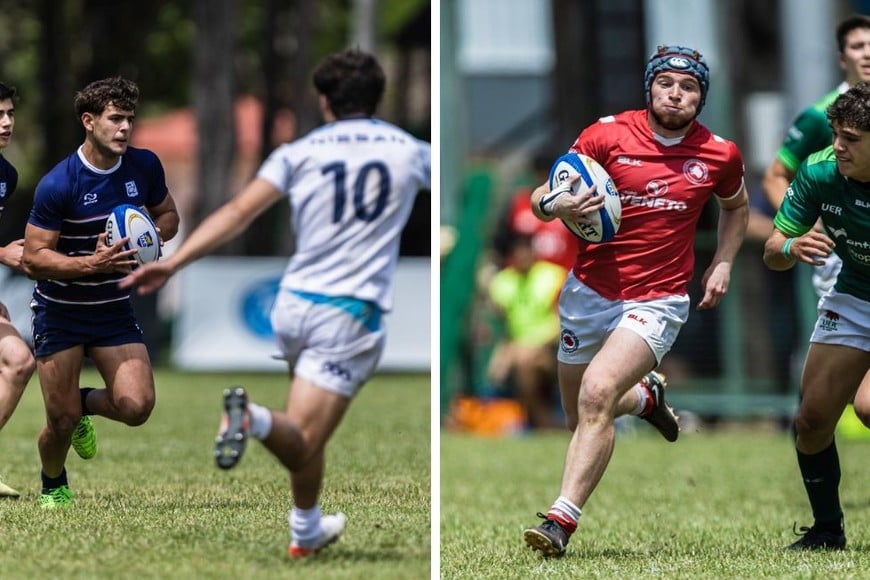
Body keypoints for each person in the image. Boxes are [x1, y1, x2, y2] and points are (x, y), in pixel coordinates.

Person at [120, 49, 430, 558]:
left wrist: (173, 263)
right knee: (302, 435)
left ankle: (306, 529)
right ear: (378, 98)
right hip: (350, 312)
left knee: (305, 424)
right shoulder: (410, 150)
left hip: (293, 303)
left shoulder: (299, 151)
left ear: (324, 100)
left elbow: (239, 211)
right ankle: (252, 420)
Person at [522, 45, 749, 557]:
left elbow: (736, 209)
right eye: (666, 83)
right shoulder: (605, 135)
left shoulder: (719, 153)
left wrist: (725, 261)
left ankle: (561, 520)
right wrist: (557, 204)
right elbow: (540, 199)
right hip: (589, 293)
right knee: (580, 414)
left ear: (701, 97)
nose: (676, 93)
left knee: (598, 392)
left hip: (659, 297)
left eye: (688, 87)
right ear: (649, 87)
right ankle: (646, 398)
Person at [22, 77, 180, 508]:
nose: (125, 128)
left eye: (129, 119)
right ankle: (54, 483)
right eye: (115, 119)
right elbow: (35, 257)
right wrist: (92, 264)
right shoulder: (59, 183)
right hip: (60, 311)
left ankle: (81, 404)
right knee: (59, 421)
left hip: (112, 309)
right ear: (89, 122)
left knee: (137, 406)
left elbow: (168, 215)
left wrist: (151, 237)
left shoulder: (144, 166)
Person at [763, 81, 870, 551]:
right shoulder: (819, 171)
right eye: (836, 135)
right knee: (811, 420)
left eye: (852, 139)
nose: (838, 147)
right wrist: (792, 245)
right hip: (854, 294)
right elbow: (772, 251)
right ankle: (828, 530)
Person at [763, 14, 870, 298]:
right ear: (842, 59)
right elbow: (775, 176)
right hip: (843, 253)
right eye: (858, 46)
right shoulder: (818, 115)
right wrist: (809, 226)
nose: (867, 53)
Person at [486, 234, 566, 429]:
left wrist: (529, 346)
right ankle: (537, 422)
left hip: (554, 350)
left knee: (525, 360)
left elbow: (564, 322)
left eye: (525, 252)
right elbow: (502, 326)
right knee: (517, 363)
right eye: (517, 253)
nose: (522, 257)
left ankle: (541, 423)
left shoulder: (554, 276)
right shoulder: (503, 282)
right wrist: (504, 351)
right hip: (518, 349)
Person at [0, 82, 37, 499]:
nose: (7, 122)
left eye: (10, 113)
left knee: (18, 360)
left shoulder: (5, 176)